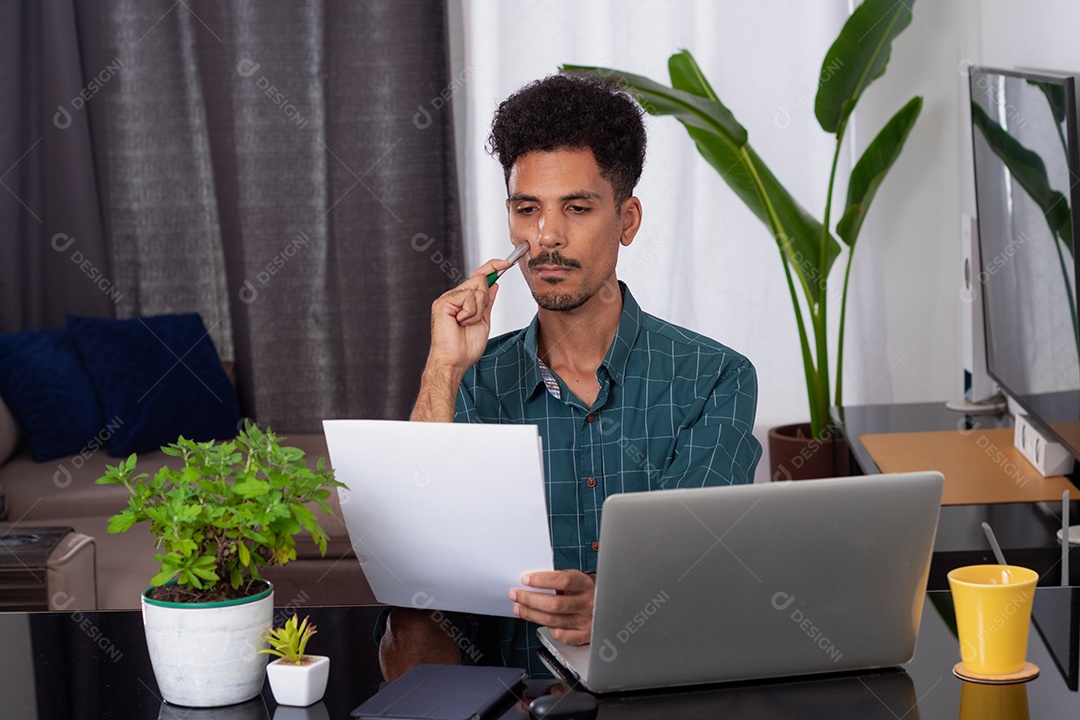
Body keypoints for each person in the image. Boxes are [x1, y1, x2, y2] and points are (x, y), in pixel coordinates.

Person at [379, 73, 762, 680]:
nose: (546, 236)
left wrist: (616, 603)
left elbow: (698, 576)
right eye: (526, 209)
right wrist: (442, 369)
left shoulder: (713, 379)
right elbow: (416, 604)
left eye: (577, 208)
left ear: (627, 220)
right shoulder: (472, 383)